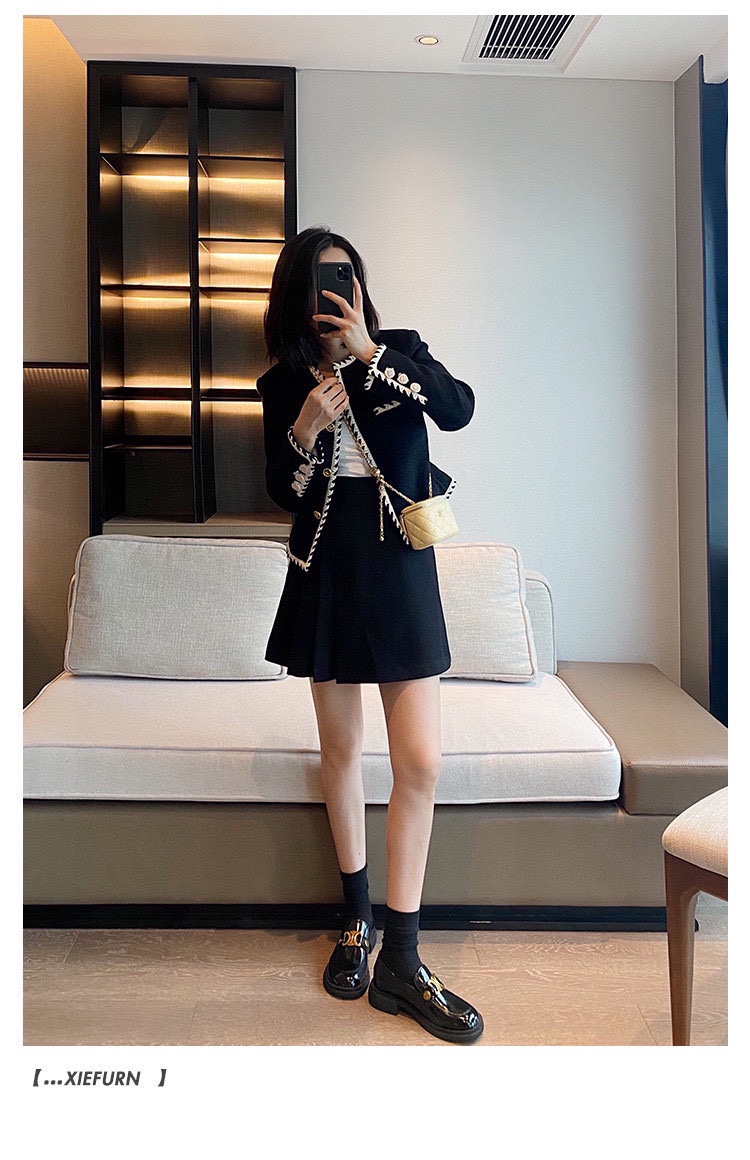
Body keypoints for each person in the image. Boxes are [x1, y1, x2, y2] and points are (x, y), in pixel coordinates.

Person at [256, 226, 483, 1044]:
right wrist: (305, 429)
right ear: (297, 293)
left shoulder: (400, 350)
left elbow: (457, 409)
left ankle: (403, 958)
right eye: (321, 279)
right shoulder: (284, 382)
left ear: (360, 285)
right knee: (342, 751)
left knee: (421, 760)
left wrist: (371, 354)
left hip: (399, 571)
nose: (335, 290)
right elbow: (281, 491)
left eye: (345, 276)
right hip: (327, 571)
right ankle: (357, 922)